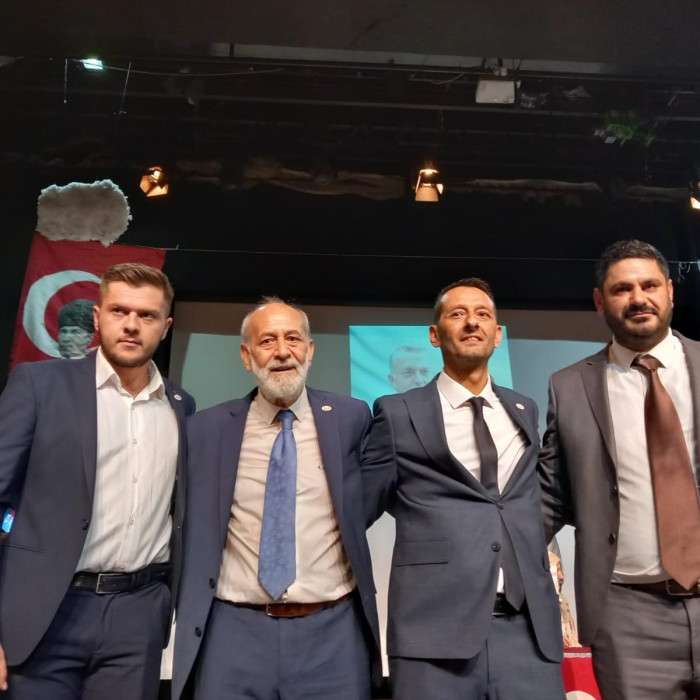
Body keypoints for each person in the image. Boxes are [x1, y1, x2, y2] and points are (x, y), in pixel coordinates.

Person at [362, 278, 564, 700]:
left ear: (498, 334)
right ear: (435, 335)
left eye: (483, 315)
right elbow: (359, 508)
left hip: (527, 634)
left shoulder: (524, 408)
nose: (472, 323)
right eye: (458, 314)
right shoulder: (397, 413)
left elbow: (527, 501)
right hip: (433, 636)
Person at [0, 262, 195, 699]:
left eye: (147, 315)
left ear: (166, 327)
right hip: (43, 611)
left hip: (137, 614)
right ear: (97, 316)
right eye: (119, 311)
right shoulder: (38, 385)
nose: (131, 325)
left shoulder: (181, 406)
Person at [172, 298, 380, 700]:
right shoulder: (205, 430)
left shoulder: (351, 418)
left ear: (310, 350)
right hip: (232, 632)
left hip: (332, 634)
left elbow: (367, 503)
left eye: (293, 339)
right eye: (267, 341)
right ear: (246, 356)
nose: (283, 352)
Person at [539, 239, 700, 700]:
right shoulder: (569, 387)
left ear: (670, 292)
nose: (638, 298)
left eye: (649, 285)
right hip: (628, 616)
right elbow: (549, 497)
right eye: (621, 289)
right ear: (599, 301)